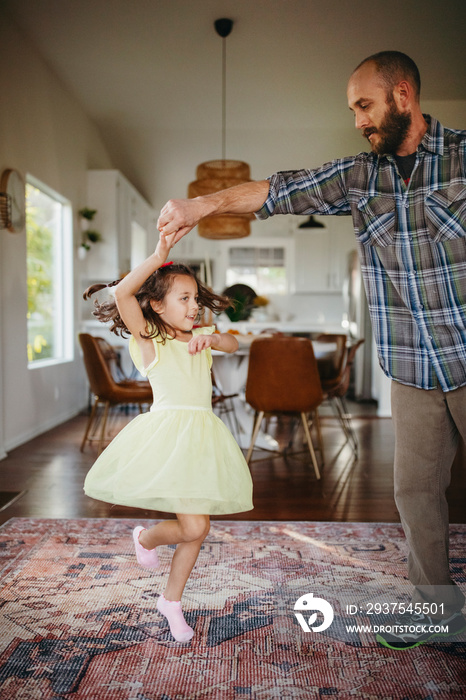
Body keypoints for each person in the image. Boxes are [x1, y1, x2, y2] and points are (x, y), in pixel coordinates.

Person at [156, 51, 466, 649]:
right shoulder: (360, 176)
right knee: (415, 493)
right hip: (410, 367)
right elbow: (282, 190)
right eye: (352, 109)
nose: (357, 120)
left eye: (364, 105)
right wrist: (202, 205)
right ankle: (440, 613)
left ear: (403, 95)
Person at [83, 232, 253, 643]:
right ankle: (146, 542)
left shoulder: (202, 334)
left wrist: (212, 337)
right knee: (195, 527)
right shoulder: (150, 338)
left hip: (202, 440)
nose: (195, 306)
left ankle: (169, 599)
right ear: (157, 304)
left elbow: (233, 342)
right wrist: (159, 255)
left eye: (196, 298)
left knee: (197, 529)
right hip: (169, 440)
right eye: (184, 299)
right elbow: (124, 293)